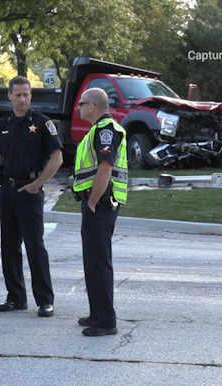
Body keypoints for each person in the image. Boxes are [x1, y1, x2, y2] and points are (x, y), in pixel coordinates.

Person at [0, 75, 63, 317]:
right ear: (9, 96)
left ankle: (44, 300)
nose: (23, 99)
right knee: (8, 247)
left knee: (34, 247)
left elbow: (57, 158)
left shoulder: (42, 124)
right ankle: (15, 297)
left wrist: (37, 184)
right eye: (18, 94)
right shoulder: (3, 124)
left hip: (29, 193)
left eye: (26, 94)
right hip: (7, 191)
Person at [72, 87, 128, 336]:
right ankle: (97, 313)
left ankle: (105, 321)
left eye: (81, 104)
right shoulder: (98, 130)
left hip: (101, 204)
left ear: (92, 106)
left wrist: (93, 201)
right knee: (93, 262)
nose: (79, 108)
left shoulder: (105, 131)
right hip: (100, 203)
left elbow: (105, 168)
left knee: (98, 263)